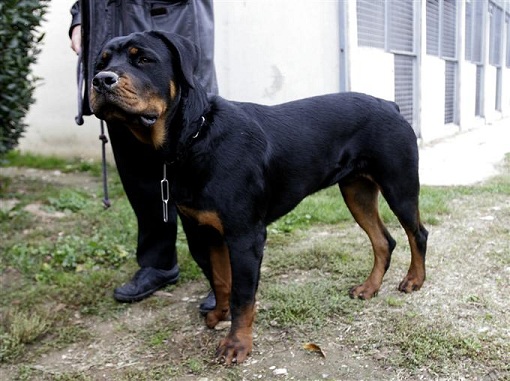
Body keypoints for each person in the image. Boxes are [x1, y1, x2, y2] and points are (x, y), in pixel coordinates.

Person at [69, 0, 217, 311]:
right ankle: (158, 262)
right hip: (108, 34)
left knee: (198, 176)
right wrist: (79, 20)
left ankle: (219, 273)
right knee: (137, 174)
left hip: (167, 34)